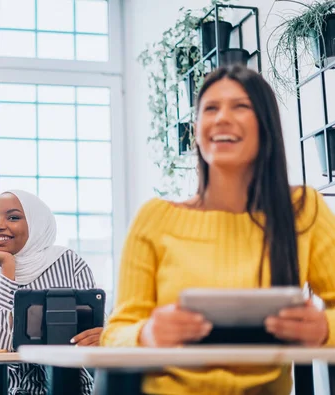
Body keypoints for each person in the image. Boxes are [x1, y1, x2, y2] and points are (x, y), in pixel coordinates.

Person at [101, 65, 335, 395]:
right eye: (210, 108)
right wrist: (147, 334)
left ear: (265, 125)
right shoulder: (154, 218)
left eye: (240, 106)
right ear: (197, 129)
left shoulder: (303, 209)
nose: (222, 118)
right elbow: (114, 335)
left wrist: (325, 328)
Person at [0, 189, 103, 395]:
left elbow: (95, 332)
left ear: (36, 223)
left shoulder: (69, 262)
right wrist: (7, 269)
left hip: (71, 386)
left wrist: (104, 335)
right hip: (10, 389)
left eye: (13, 217)